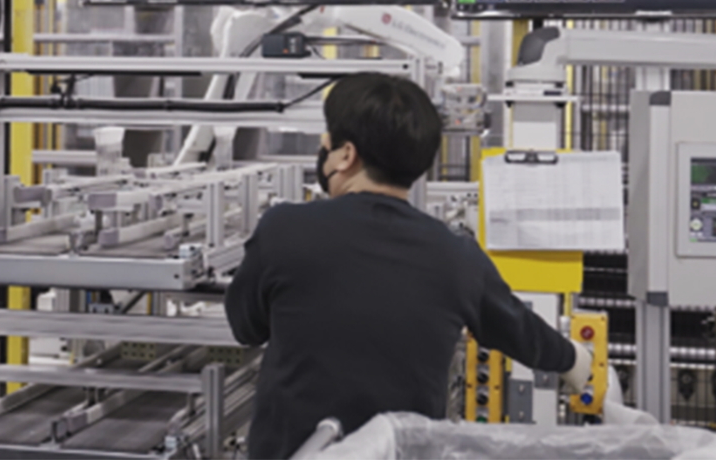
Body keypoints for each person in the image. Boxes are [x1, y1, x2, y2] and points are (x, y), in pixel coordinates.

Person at [225, 72, 592, 460]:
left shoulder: (284, 229)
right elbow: (521, 331)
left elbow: (244, 326)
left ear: (346, 156)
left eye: (327, 146)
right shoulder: (456, 256)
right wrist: (573, 360)